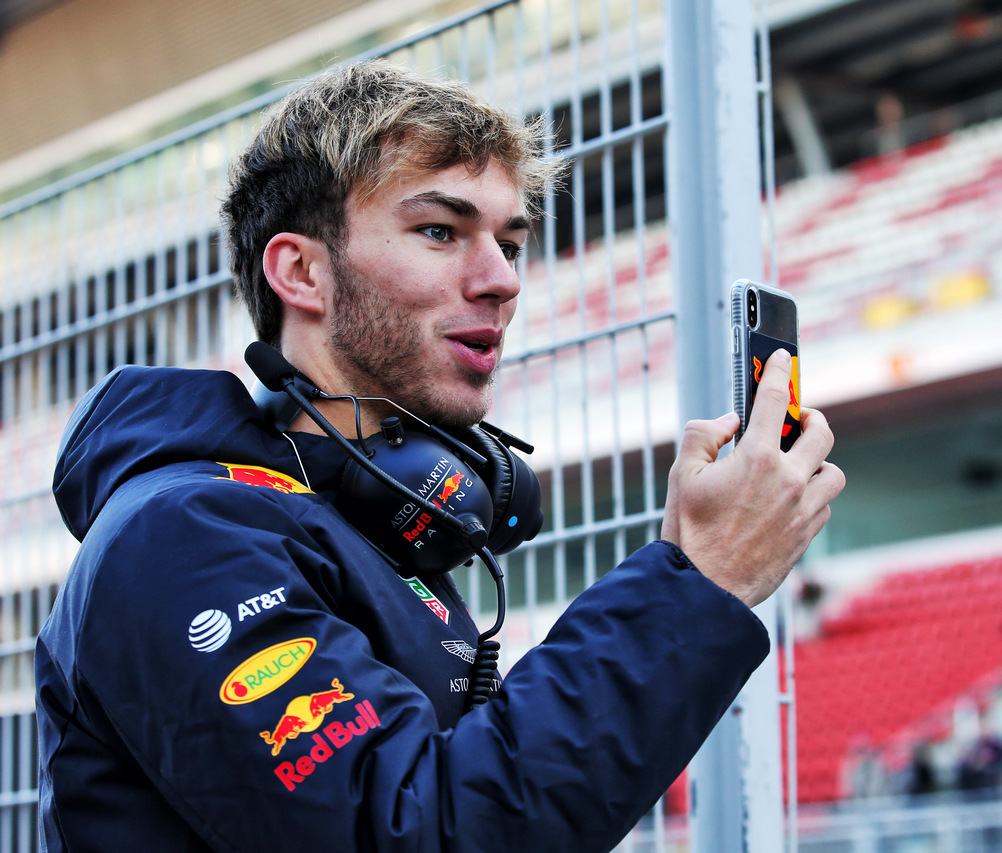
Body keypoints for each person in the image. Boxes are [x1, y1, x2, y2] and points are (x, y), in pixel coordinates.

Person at [35, 61, 845, 851]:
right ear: (301, 272)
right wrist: (698, 579)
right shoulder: (184, 536)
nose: (501, 280)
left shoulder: (373, 524)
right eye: (439, 231)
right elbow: (420, 829)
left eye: (511, 243)